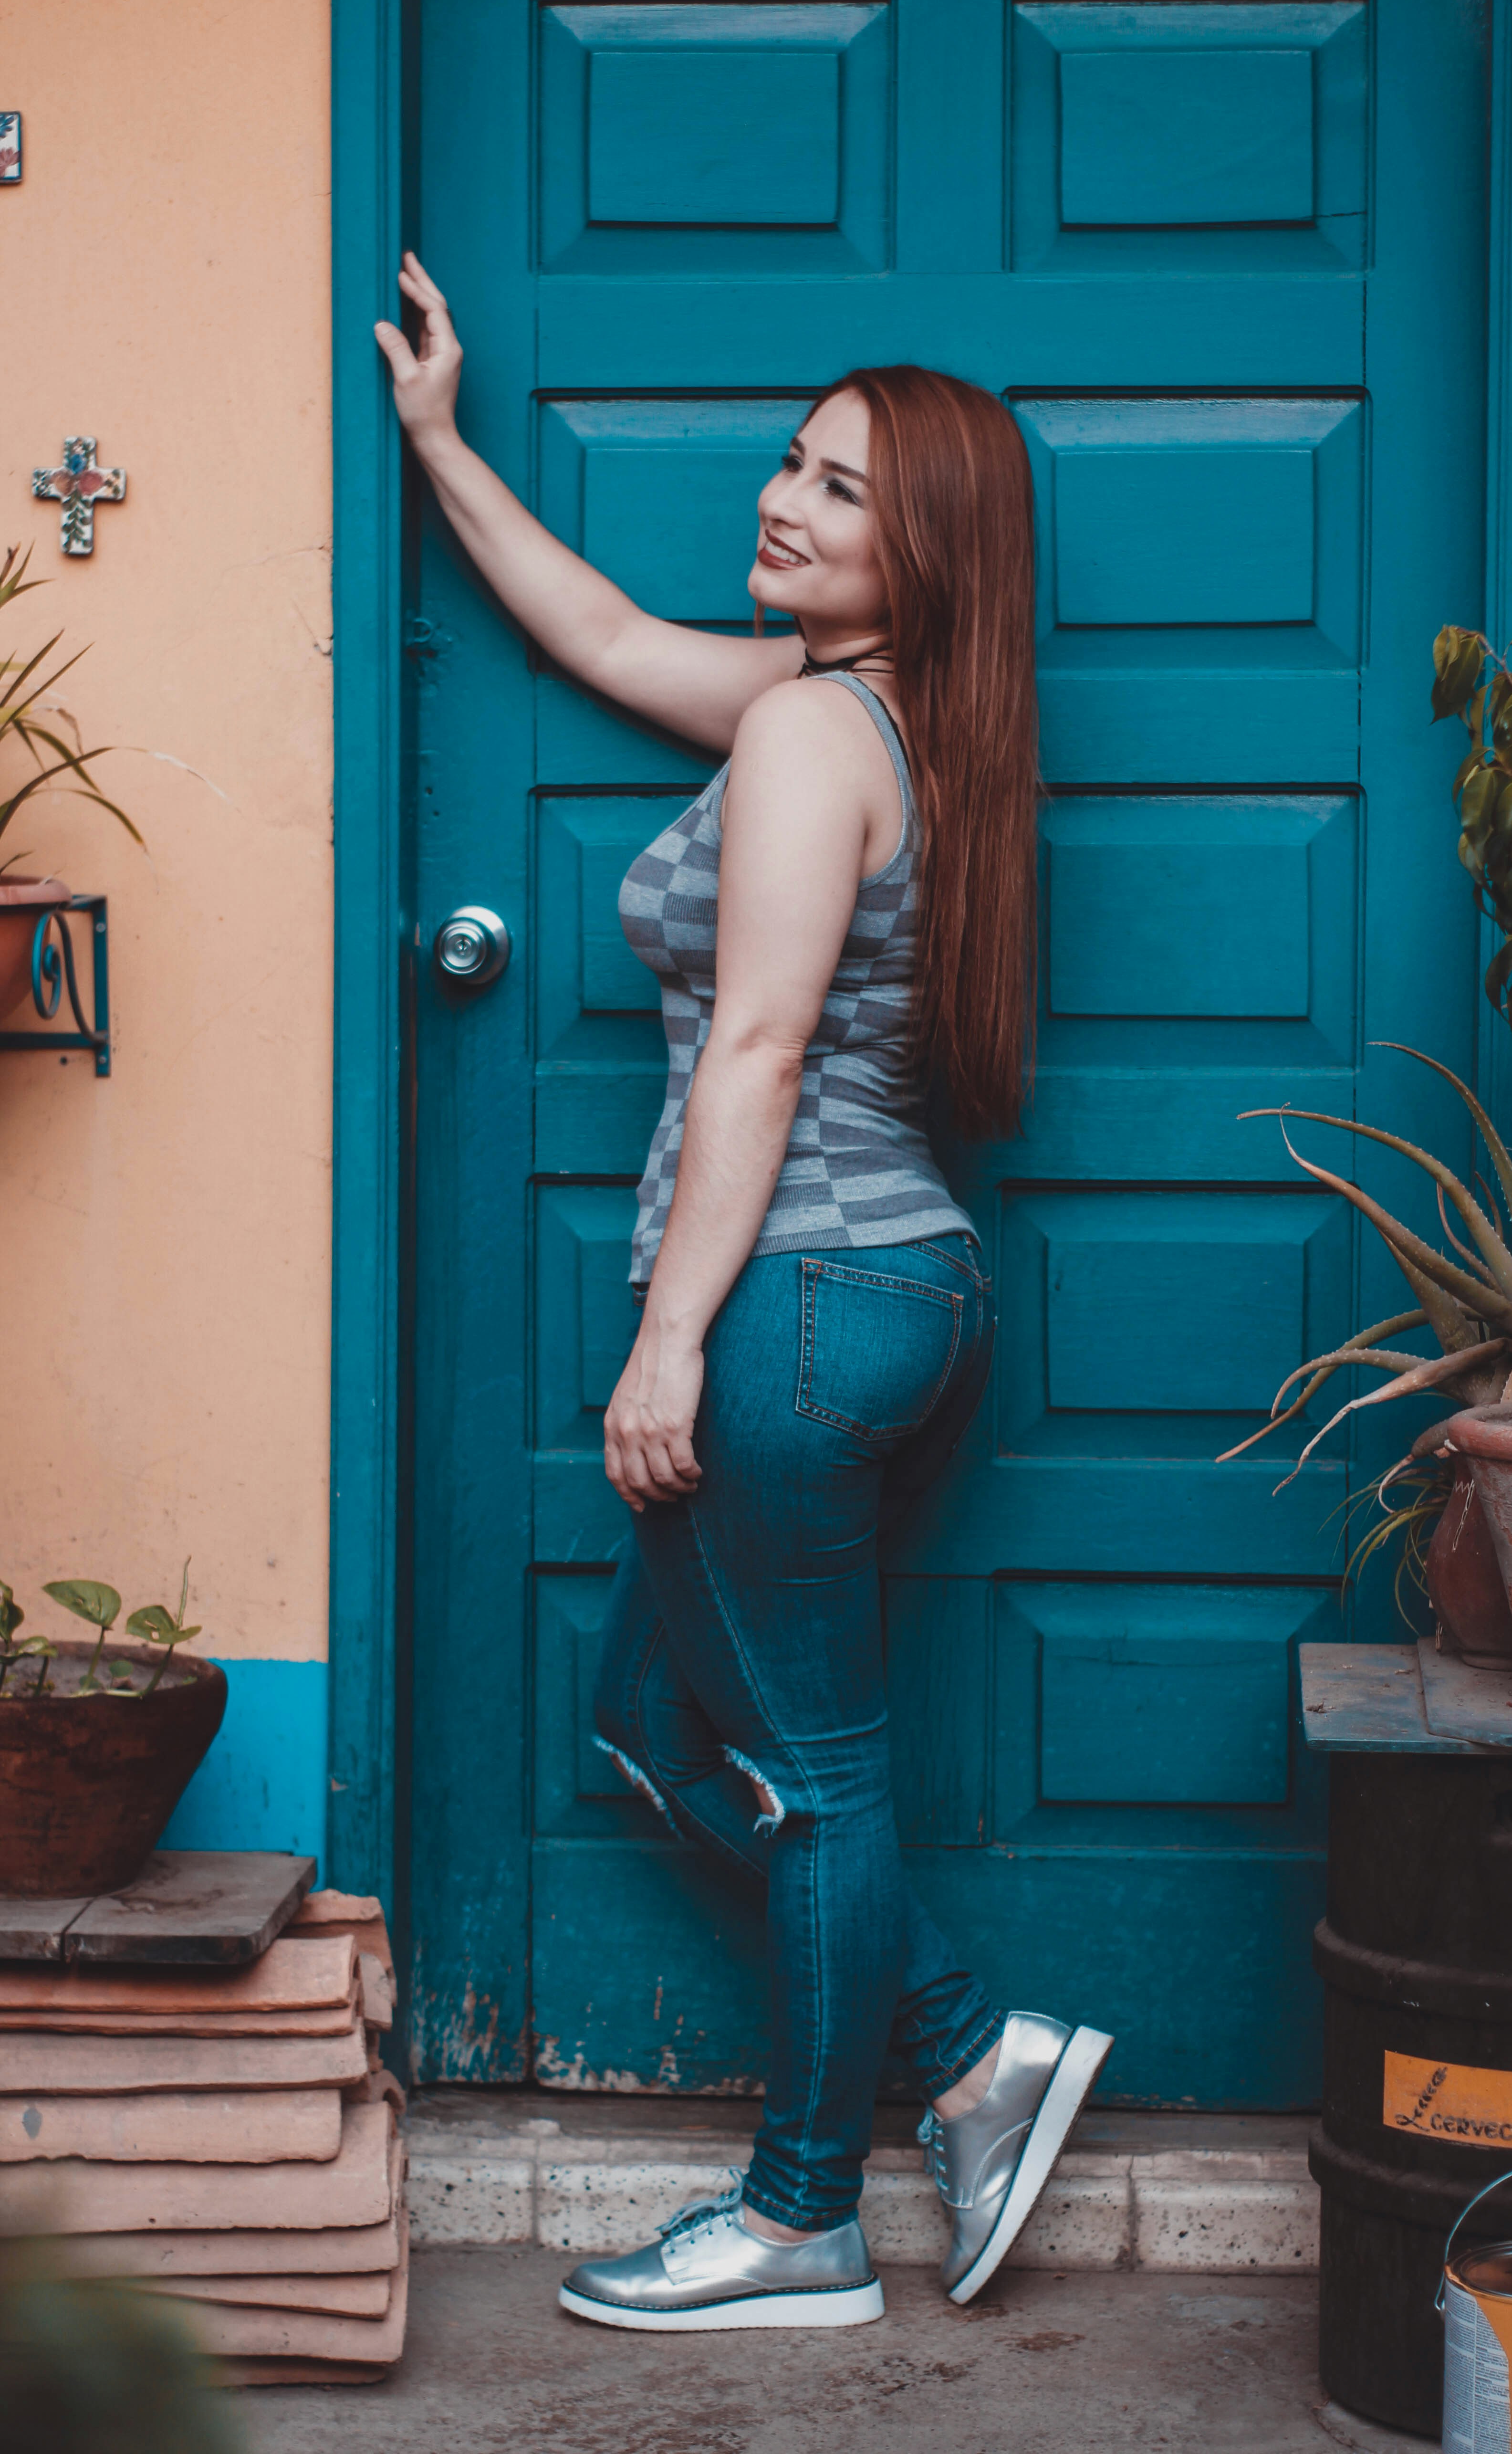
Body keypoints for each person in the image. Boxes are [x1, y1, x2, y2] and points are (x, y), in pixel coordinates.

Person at [376, 255, 1114, 2333]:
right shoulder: (876, 721)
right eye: (794, 461)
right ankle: (969, 2051)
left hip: (793, 1305)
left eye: (842, 489)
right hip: (887, 1290)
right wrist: (440, 443)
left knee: (817, 1777)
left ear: (928, 548)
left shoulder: (813, 735)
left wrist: (669, 1337)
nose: (785, 498)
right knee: (656, 1719)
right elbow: (607, 635)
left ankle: (802, 2220)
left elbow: (763, 1051)